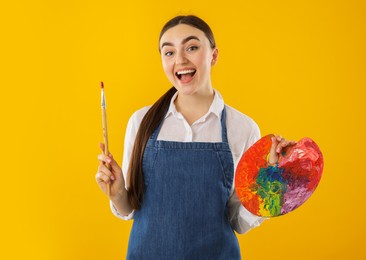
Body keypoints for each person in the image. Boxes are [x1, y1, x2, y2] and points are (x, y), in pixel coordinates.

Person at [96, 15, 296, 260]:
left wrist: (269, 181)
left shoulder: (243, 128)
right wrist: (117, 194)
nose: (180, 60)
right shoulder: (141, 122)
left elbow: (238, 221)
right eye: (169, 53)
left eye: (191, 47)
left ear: (214, 55)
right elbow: (130, 208)